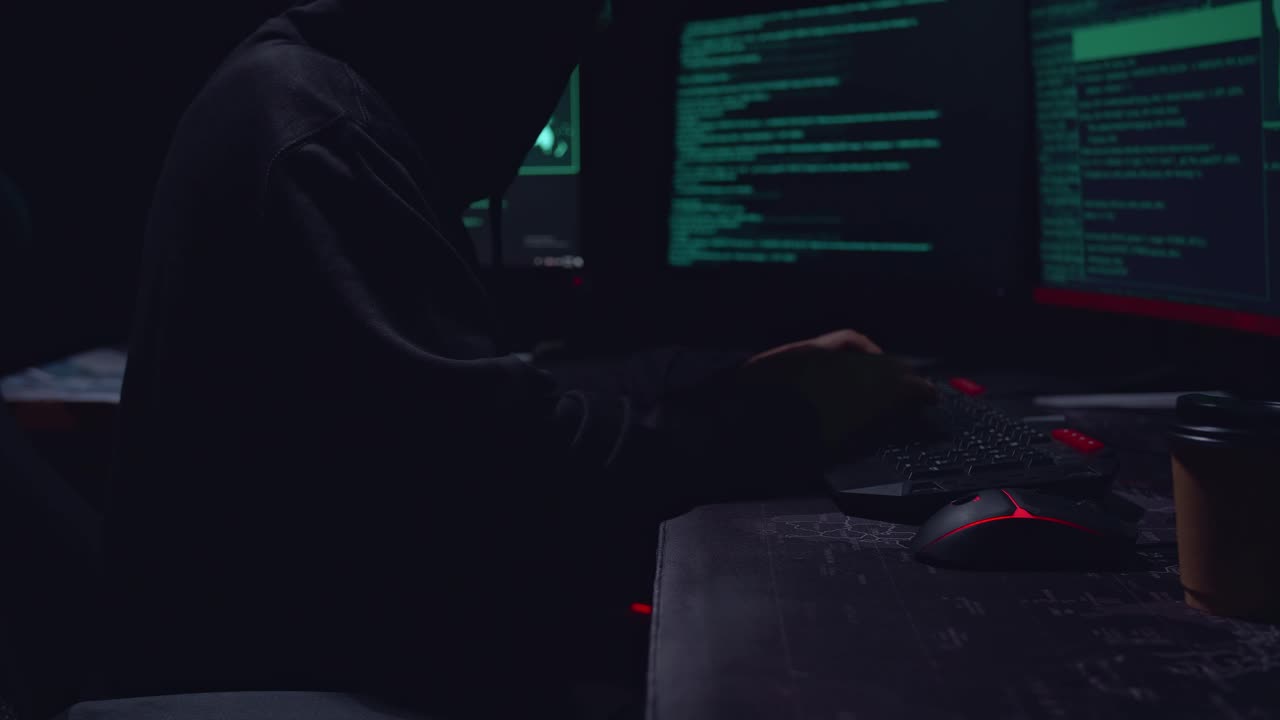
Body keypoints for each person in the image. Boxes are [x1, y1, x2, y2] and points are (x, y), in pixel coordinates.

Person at [105, 0, 935, 716]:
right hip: (302, 668)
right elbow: (505, 481)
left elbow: (469, 406)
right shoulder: (323, 136)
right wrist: (788, 415)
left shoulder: (296, 92)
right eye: (559, 53)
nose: (540, 115)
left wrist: (726, 384)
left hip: (304, 635)